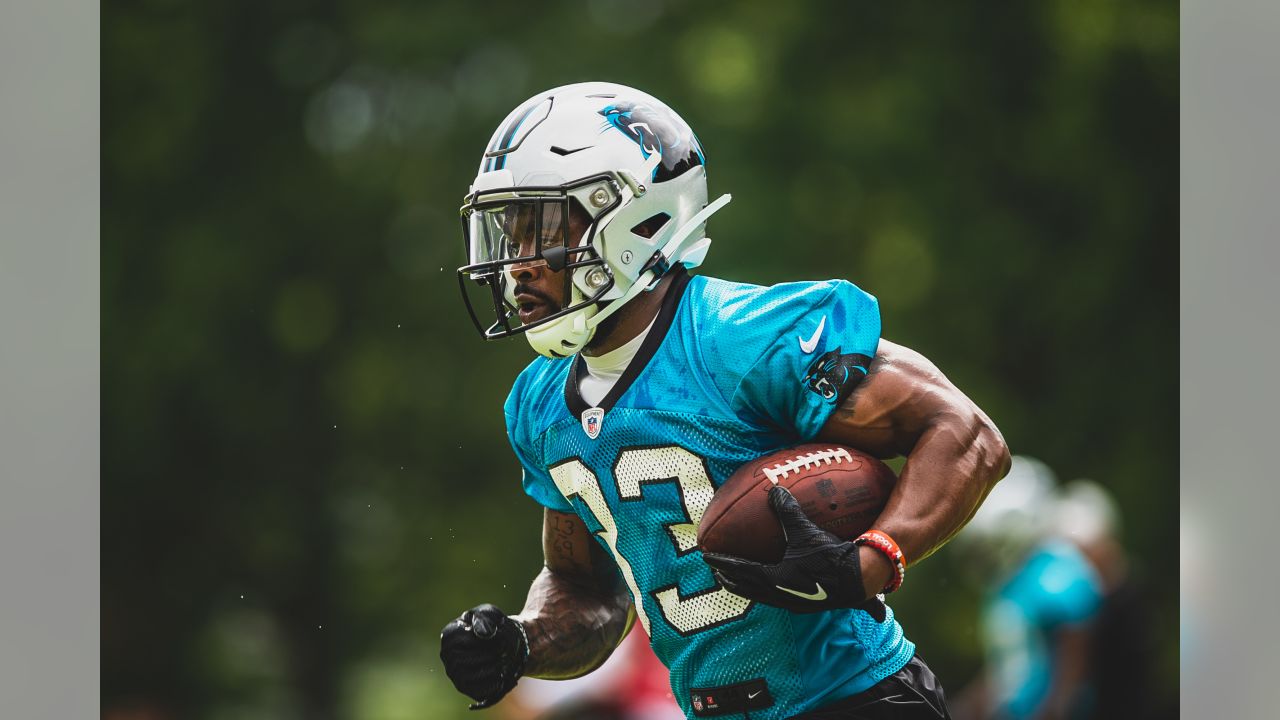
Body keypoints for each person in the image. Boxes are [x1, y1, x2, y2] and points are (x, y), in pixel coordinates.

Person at [439, 82, 1010, 720]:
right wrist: (522, 640)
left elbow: (964, 432)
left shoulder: (736, 338)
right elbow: (589, 591)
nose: (516, 264)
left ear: (635, 218)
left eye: (538, 227)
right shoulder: (540, 404)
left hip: (854, 699)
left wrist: (872, 561)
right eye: (507, 233)